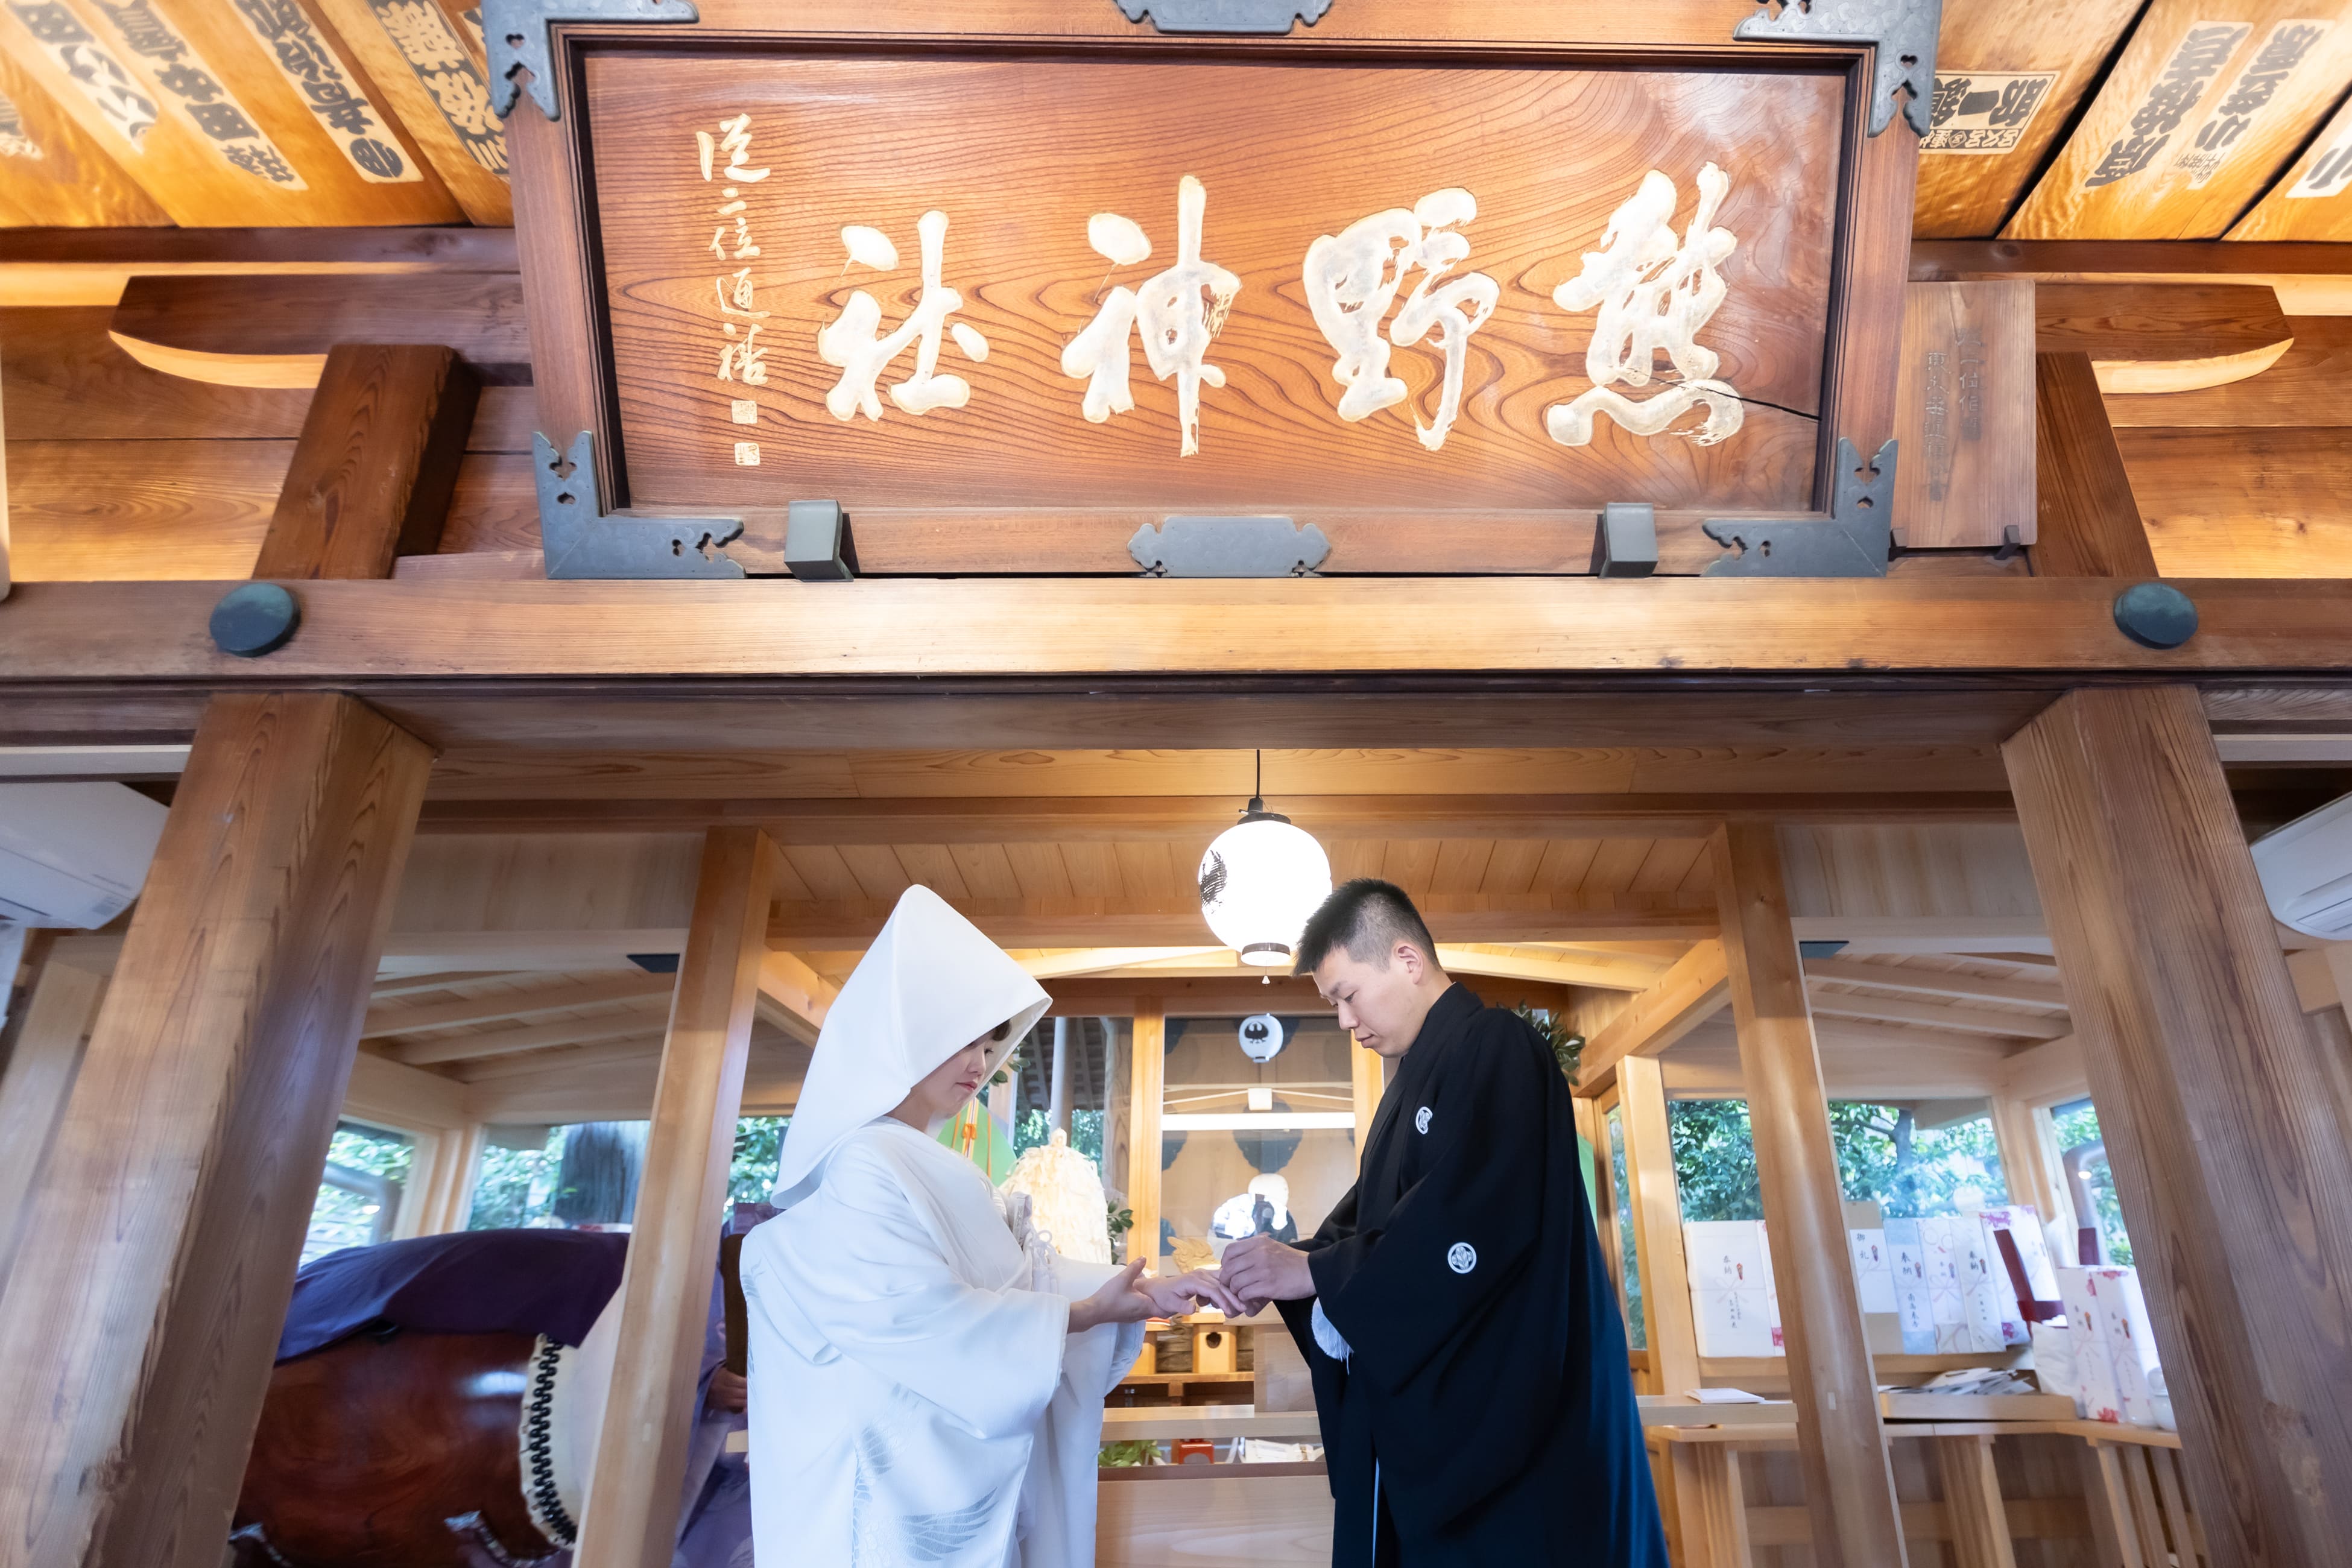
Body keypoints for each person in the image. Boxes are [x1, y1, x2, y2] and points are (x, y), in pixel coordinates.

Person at [739, 884, 1240, 1568]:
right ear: (902, 1041)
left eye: (988, 1041)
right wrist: (1089, 1310)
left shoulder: (934, 1165)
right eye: (959, 1041)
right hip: (889, 1497)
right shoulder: (865, 1161)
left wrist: (1141, 1292)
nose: (979, 1061)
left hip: (940, 1475)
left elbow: (1016, 1279)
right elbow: (920, 1319)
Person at [1220, 879, 1666, 1567]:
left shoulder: (1499, 1046)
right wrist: (1282, 1269)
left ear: (1407, 959)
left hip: (1524, 1443)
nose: (1345, 1020)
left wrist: (1313, 1271)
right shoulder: (1407, 1091)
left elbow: (1473, 1218)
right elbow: (1367, 1228)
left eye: (1346, 994)